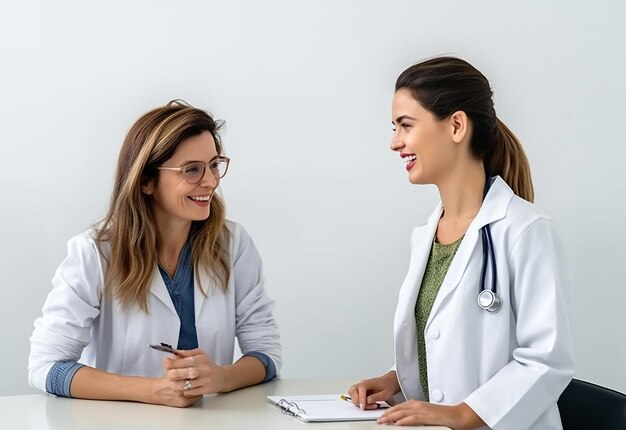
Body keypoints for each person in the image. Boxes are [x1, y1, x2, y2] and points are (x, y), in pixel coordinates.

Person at [348, 57, 574, 429]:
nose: (394, 143)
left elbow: (547, 361)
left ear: (456, 125)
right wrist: (396, 381)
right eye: (394, 128)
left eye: (405, 125)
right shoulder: (425, 236)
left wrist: (465, 414)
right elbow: (441, 343)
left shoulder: (525, 230)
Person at [28, 100, 281, 407]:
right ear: (147, 181)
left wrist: (220, 377)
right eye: (192, 170)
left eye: (214, 165)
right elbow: (46, 367)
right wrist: (152, 391)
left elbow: (267, 353)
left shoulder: (233, 244)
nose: (211, 181)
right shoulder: (94, 252)